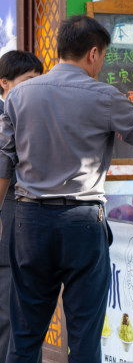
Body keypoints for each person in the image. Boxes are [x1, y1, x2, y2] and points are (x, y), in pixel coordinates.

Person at [0, 15, 133, 362]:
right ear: (94, 54)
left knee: (24, 335)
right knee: (84, 336)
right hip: (82, 222)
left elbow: (3, 160)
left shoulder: (18, 96)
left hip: (29, 223)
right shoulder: (105, 96)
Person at [0, 51, 43, 360]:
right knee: (11, 320)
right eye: (29, 80)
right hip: (9, 229)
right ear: (5, 83)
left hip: (24, 231)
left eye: (40, 79)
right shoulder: (10, 119)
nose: (37, 86)